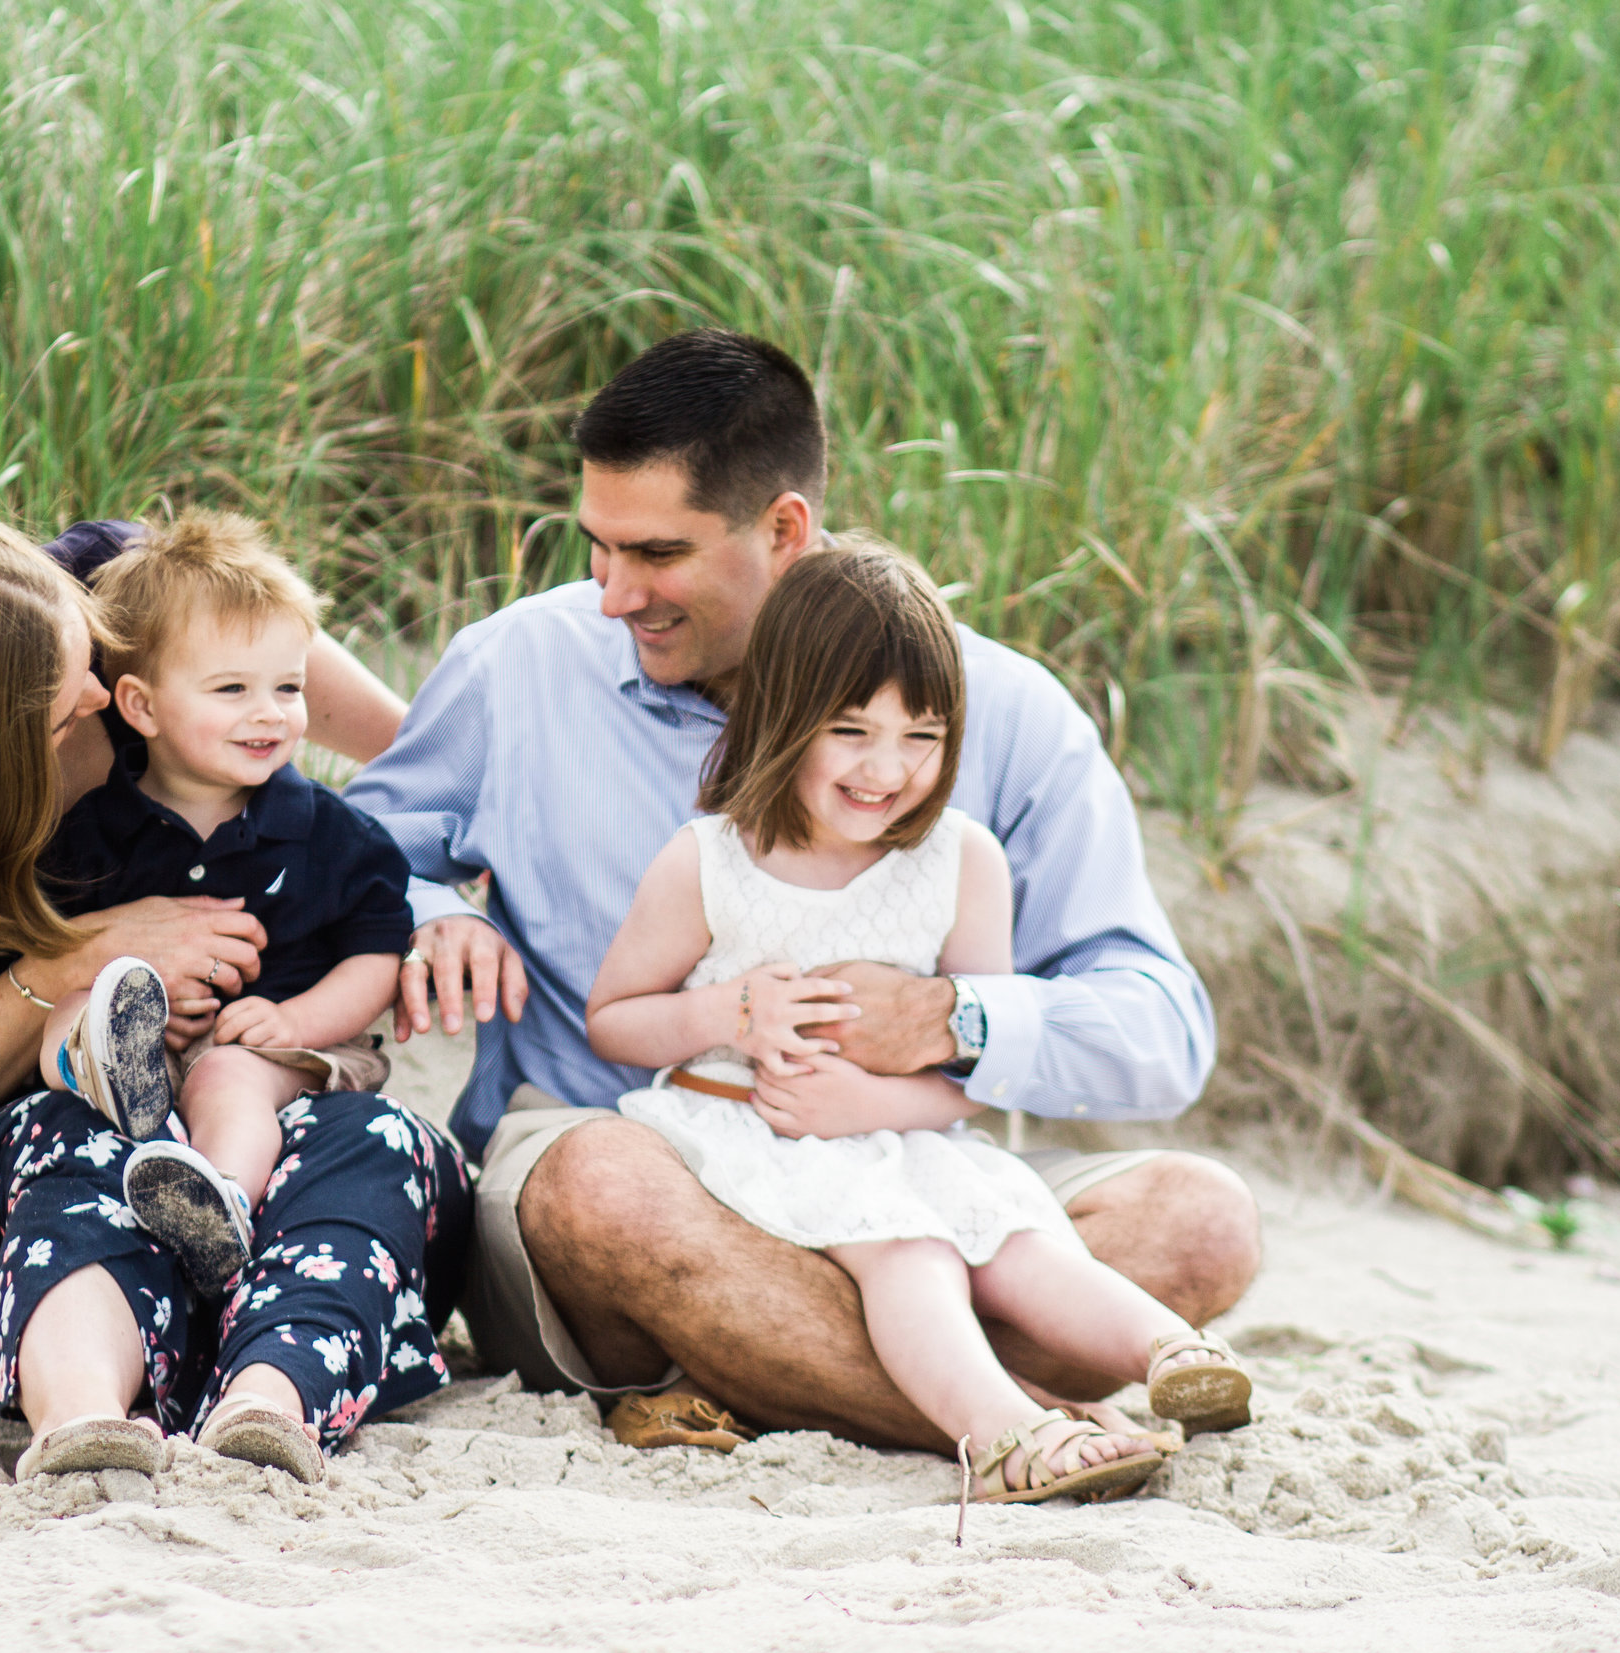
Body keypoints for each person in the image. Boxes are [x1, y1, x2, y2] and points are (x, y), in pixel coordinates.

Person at [344, 329, 1260, 1452]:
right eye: (598, 547)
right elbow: (358, 840)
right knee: (602, 1191)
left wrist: (951, 1020)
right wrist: (431, 907)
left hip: (898, 1170)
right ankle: (1007, 1420)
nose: (610, 594)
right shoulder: (516, 666)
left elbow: (1161, 1029)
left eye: (657, 553)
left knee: (1200, 1222)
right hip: (640, 1156)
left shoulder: (1003, 714)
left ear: (784, 529)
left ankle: (778, 1378)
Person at [0, 509, 469, 1486]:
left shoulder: (110, 598)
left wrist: (436, 895)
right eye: (67, 715)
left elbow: (407, 757)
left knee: (373, 1141)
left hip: (242, 1177)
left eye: (97, 660)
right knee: (68, 1131)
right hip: (32, 1213)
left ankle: (267, 1398)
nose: (98, 692)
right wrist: (73, 961)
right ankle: (80, 1411)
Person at [586, 541, 1251, 1501]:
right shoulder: (711, 861)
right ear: (782, 716)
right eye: (851, 729)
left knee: (1015, 1233)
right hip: (742, 1128)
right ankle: (1006, 1429)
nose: (886, 768)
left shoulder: (961, 861)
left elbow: (970, 1072)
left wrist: (876, 1101)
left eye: (923, 736)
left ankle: (1174, 1354)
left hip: (893, 1131)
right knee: (915, 1250)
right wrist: (728, 1008)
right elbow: (616, 1019)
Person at [34, 511, 414, 1299]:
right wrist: (108, 997)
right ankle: (115, 1070)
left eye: (289, 686)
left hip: (277, 1045)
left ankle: (220, 1202)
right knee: (62, 1004)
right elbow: (53, 938)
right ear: (140, 707)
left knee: (227, 1079)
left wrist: (297, 1021)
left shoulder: (331, 832)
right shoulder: (92, 830)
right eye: (233, 689)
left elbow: (378, 951)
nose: (271, 711)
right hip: (151, 1041)